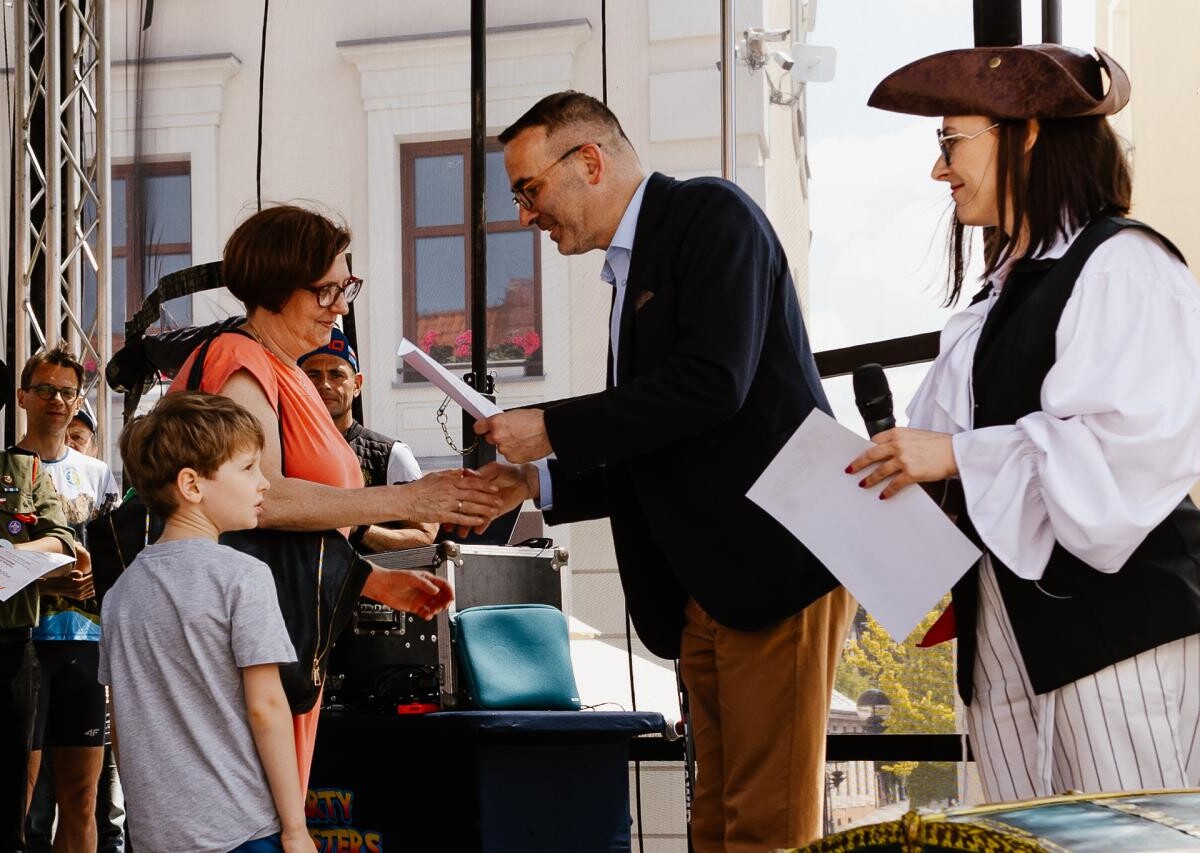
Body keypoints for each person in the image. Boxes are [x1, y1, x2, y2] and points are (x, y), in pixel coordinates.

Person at [473, 91, 856, 852]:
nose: (523, 215)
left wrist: (552, 427)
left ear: (589, 160)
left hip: (773, 570)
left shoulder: (713, 216)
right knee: (716, 824)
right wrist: (535, 484)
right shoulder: (634, 268)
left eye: (529, 190)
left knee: (766, 828)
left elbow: (712, 384)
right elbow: (658, 440)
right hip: (709, 590)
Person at [851, 44, 1200, 801]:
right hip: (1005, 644)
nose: (939, 170)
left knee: (1133, 840)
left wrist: (955, 457)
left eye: (951, 142)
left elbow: (1123, 464)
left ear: (1029, 131)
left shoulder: (1124, 267)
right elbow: (948, 464)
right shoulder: (995, 300)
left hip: (1115, 641)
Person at [170, 203, 502, 791]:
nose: (342, 305)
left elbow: (287, 536)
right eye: (327, 291)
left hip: (275, 637)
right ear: (276, 286)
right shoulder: (240, 360)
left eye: (346, 286)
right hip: (245, 649)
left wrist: (366, 578)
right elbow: (261, 499)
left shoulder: (283, 367)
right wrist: (407, 501)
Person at [100, 391, 309, 852]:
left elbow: (122, 723)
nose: (264, 484)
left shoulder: (118, 595)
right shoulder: (243, 577)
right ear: (193, 485)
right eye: (249, 468)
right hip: (241, 829)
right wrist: (296, 829)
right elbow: (267, 708)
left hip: (156, 834)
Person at [15, 344, 121, 853]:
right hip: (22, 643)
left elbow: (115, 555)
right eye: (45, 389)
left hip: (85, 643)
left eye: (66, 391)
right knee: (23, 800)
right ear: (23, 396)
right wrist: (42, 582)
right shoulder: (6, 469)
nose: (56, 400)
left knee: (82, 801)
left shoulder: (98, 473)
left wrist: (96, 580)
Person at [0, 358, 76, 851]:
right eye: (43, 389)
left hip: (11, 644)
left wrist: (9, 554)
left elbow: (62, 541)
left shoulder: (21, 468)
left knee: (11, 782)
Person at [299, 327, 437, 552]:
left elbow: (425, 534)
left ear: (357, 385)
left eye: (336, 374)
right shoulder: (283, 449)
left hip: (370, 584)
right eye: (313, 375)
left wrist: (358, 528)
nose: (324, 384)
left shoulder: (391, 454)